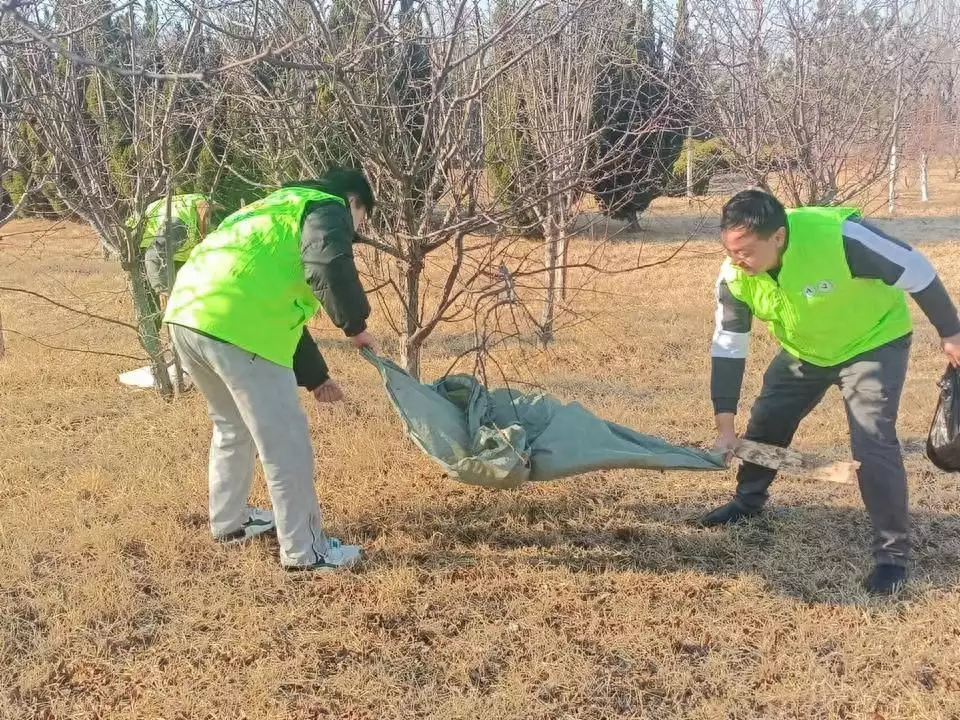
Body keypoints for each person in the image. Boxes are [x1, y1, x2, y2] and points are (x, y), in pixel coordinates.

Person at [704, 189, 960, 595]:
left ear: (779, 237)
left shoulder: (841, 238)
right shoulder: (735, 276)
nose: (737, 260)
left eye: (747, 251)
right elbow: (729, 347)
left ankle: (892, 555)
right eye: (731, 250)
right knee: (768, 419)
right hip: (805, 352)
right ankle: (748, 502)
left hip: (873, 343)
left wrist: (952, 331)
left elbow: (916, 268)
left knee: (872, 439)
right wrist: (725, 428)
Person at [162, 168, 375, 572]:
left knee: (231, 427)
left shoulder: (272, 207)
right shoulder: (327, 206)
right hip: (237, 329)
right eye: (362, 218)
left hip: (186, 317)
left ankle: (230, 523)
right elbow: (327, 264)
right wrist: (355, 326)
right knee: (285, 445)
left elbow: (274, 307)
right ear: (354, 201)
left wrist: (316, 378)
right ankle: (305, 554)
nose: (357, 229)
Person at [134, 193, 212, 308]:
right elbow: (154, 255)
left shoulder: (195, 204)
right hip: (142, 251)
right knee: (156, 306)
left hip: (172, 253)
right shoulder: (180, 226)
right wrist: (163, 288)